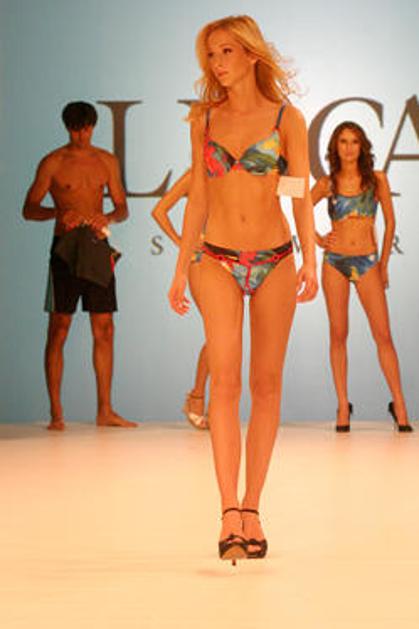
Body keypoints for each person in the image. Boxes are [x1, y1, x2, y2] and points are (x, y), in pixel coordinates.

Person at [168, 15, 317, 561]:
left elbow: (299, 192)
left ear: (252, 54)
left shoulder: (286, 118)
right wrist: (180, 266)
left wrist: (310, 256)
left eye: (227, 51)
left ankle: (253, 507)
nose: (217, 63)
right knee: (225, 382)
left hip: (276, 259)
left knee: (267, 384)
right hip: (215, 259)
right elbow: (199, 199)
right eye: (211, 54)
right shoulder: (203, 118)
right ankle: (228, 511)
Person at [22, 101, 137, 430]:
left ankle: (105, 410)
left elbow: (122, 208)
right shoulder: (53, 162)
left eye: (85, 129)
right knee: (59, 327)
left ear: (93, 127)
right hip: (65, 250)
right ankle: (56, 414)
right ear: (67, 128)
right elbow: (29, 208)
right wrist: (58, 213)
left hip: (97, 247)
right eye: (75, 130)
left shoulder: (106, 161)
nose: (81, 135)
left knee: (105, 328)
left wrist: (108, 217)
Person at [311, 121, 413, 433]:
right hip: (334, 263)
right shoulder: (327, 183)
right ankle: (343, 405)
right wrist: (317, 238)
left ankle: (400, 405)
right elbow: (300, 208)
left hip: (368, 262)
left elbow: (391, 223)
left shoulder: (376, 179)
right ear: (335, 146)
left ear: (362, 146)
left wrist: (384, 265)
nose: (349, 147)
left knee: (383, 335)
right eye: (343, 141)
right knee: (338, 334)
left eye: (354, 141)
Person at [151, 169, 209, 429]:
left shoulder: (238, 170)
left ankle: (206, 400)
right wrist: (182, 242)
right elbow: (159, 211)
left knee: (226, 336)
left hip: (235, 256)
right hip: (202, 259)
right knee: (218, 334)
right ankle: (198, 398)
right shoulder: (195, 175)